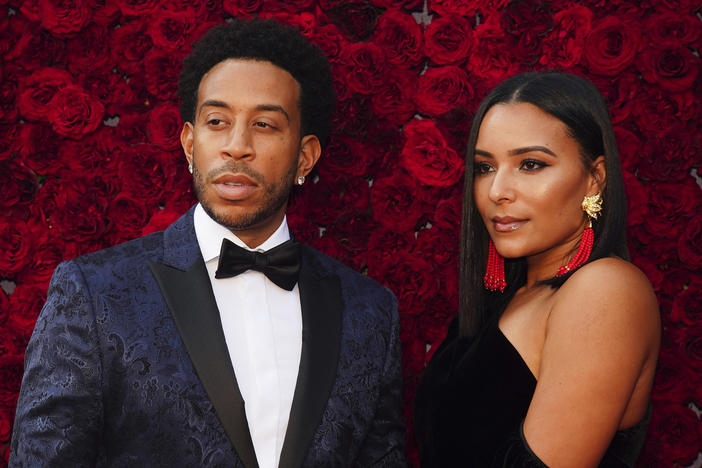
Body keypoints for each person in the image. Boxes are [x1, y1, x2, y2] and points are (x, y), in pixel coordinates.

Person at [10, 19, 406, 468]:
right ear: (189, 143)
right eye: (217, 121)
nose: (237, 146)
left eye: (264, 124)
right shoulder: (93, 293)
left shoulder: (369, 311)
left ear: (305, 156)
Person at [414, 72, 660, 467]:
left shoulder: (604, 289)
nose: (497, 191)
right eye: (484, 167)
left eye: (530, 164)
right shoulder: (507, 296)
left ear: (594, 179)